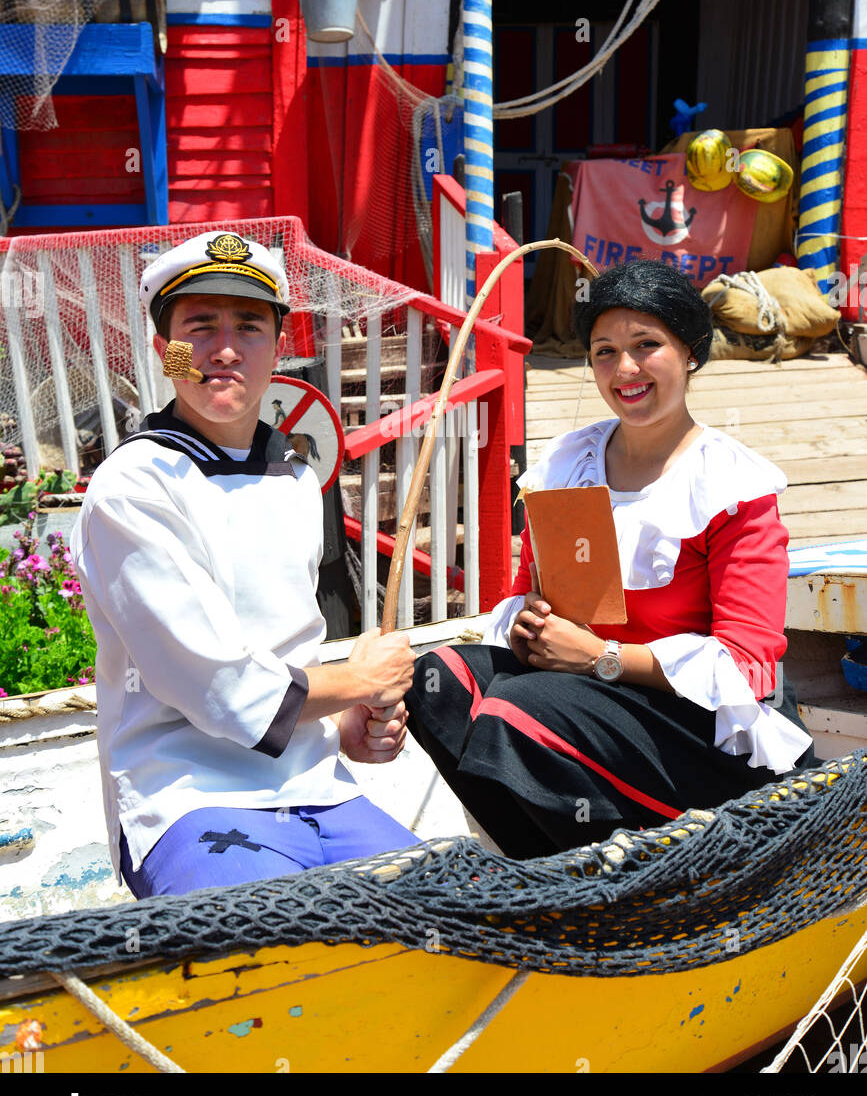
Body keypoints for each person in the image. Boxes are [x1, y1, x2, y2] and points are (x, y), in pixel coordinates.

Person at [406, 259, 815, 859]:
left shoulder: (732, 486)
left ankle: (635, 880)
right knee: (437, 681)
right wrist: (527, 626)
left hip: (699, 727)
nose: (625, 369)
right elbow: (529, 590)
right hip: (582, 700)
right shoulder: (569, 464)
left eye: (647, 345)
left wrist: (602, 658)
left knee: (519, 710)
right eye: (604, 351)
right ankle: (546, 865)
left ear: (691, 353)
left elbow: (749, 665)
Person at [71, 231, 417, 898]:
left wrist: (351, 722)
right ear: (163, 350)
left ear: (278, 349)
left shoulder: (291, 476)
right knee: (273, 948)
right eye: (198, 327)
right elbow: (220, 687)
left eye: (250, 328)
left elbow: (291, 651)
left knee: (455, 919)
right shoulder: (133, 487)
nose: (224, 351)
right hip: (185, 796)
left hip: (319, 788)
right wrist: (357, 679)